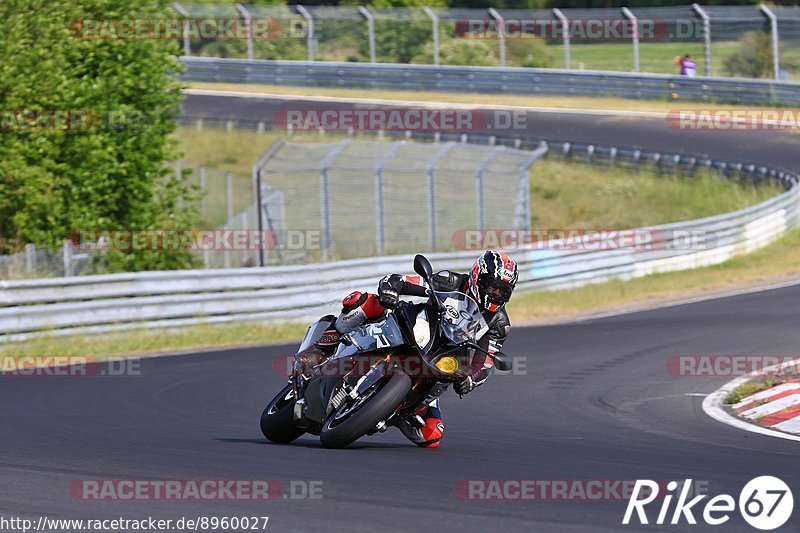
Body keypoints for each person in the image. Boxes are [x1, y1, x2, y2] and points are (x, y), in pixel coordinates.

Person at [296, 250, 518, 448]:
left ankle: (393, 409)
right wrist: (391, 289)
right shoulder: (449, 281)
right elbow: (404, 281)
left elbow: (486, 360)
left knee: (431, 434)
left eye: (503, 290)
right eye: (492, 286)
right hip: (414, 330)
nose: (496, 294)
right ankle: (321, 348)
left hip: (439, 362)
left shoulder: (498, 324)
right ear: (478, 275)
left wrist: (471, 378)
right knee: (363, 302)